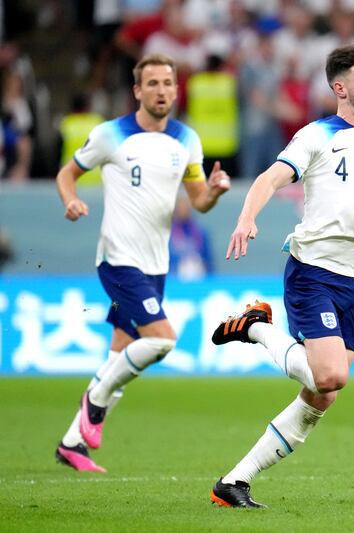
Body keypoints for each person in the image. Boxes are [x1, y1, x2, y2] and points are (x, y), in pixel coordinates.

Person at [208, 44, 354, 509]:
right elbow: (270, 178)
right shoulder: (316, 135)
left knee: (321, 395)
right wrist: (246, 218)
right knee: (331, 376)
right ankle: (256, 327)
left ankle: (234, 482)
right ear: (340, 87)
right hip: (313, 270)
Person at [53, 53, 231, 473]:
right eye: (152, 83)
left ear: (175, 88)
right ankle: (93, 404)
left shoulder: (187, 139)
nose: (161, 91)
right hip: (118, 259)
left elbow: (199, 201)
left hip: (156, 264)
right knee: (163, 341)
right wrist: (71, 199)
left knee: (121, 354)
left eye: (168, 83)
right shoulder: (110, 135)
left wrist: (217, 191)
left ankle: (72, 443)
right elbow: (66, 174)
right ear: (137, 90)